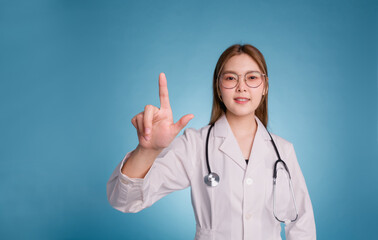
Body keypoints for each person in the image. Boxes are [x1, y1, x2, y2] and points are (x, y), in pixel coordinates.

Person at [107, 44, 316, 239]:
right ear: (218, 88)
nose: (242, 87)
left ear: (265, 87)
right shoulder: (195, 145)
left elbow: (302, 225)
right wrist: (147, 151)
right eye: (231, 78)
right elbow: (124, 201)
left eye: (252, 78)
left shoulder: (283, 151)